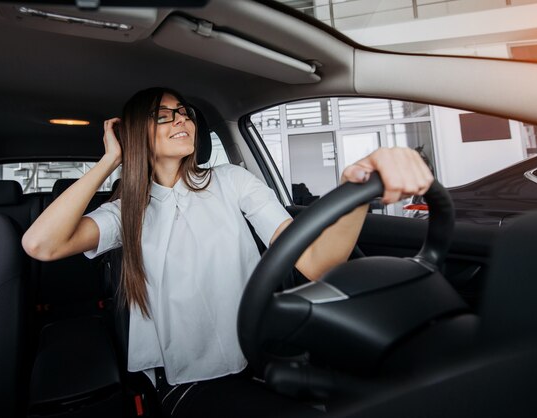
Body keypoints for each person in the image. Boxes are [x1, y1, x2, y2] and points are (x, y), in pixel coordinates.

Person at [22, 87, 433, 417]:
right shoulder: (126, 212)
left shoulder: (232, 181)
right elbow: (41, 244)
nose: (181, 118)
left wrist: (355, 190)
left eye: (183, 112)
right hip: (187, 382)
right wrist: (111, 159)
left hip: (261, 356)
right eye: (163, 114)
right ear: (136, 135)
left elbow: (317, 262)